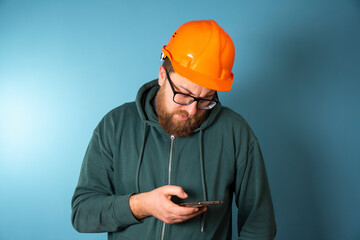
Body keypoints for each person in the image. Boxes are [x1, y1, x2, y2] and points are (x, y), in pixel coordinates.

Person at [71, 19, 276, 240]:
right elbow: (83, 214)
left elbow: (260, 224)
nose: (192, 109)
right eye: (184, 94)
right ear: (162, 75)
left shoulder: (236, 132)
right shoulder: (115, 125)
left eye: (206, 99)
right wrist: (142, 205)